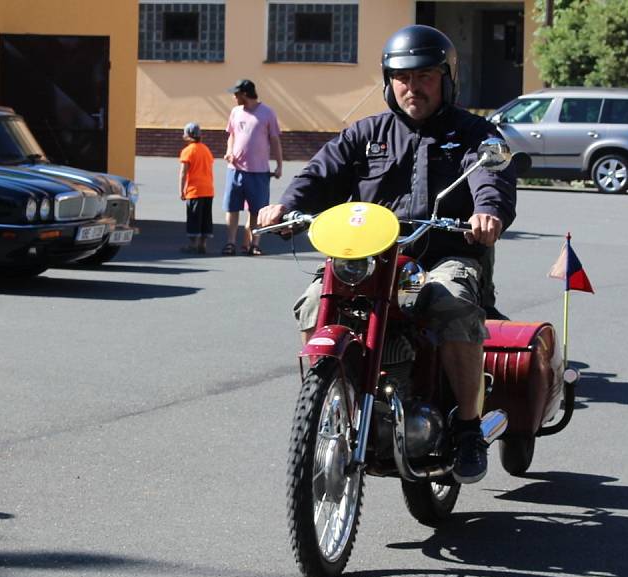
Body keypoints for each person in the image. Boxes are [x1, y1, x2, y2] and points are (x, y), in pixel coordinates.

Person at [258, 25, 517, 484]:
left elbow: (490, 179)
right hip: (369, 258)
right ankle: (328, 405)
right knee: (315, 303)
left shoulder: (473, 133)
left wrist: (487, 213)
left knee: (453, 303)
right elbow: (321, 172)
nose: (412, 87)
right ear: (388, 81)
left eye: (425, 77)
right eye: (402, 77)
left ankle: (468, 428)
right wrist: (287, 204)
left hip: (443, 255)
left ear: (446, 78)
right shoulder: (366, 134)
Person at [221, 79, 283, 256]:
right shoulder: (235, 112)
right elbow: (231, 135)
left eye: (236, 94)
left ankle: (253, 244)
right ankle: (230, 243)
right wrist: (229, 152)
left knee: (256, 210)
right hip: (235, 169)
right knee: (232, 208)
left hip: (258, 172)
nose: (234, 97)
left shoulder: (267, 113)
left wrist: (279, 165)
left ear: (245, 94)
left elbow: (275, 140)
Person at [178, 122, 214, 254]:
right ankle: (203, 244)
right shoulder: (206, 149)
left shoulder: (187, 151)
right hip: (208, 189)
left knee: (194, 217)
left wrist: (182, 189)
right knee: (205, 217)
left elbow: (183, 172)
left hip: (194, 190)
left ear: (189, 135)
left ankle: (193, 244)